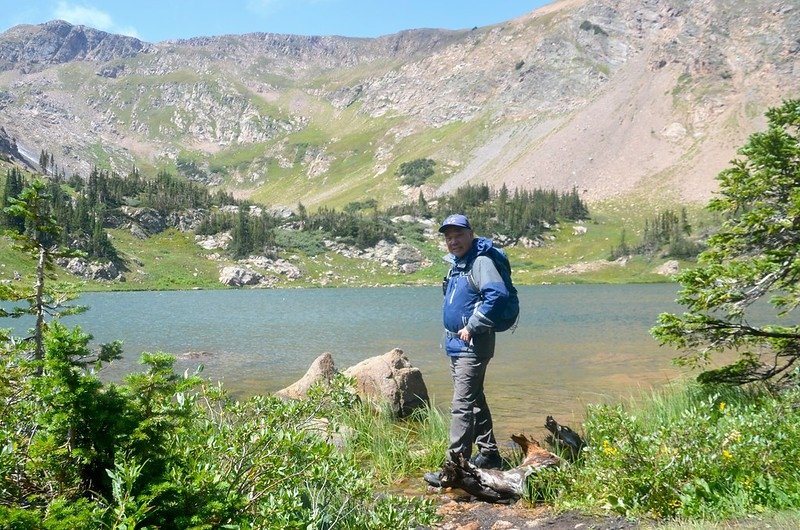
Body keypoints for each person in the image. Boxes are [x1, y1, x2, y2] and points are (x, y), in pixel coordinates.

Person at [424, 213, 511, 487]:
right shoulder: (457, 265)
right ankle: (489, 454)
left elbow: (497, 295)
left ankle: (454, 468)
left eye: (458, 235)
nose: (453, 241)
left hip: (473, 344)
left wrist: (472, 325)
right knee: (474, 399)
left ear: (470, 234)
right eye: (448, 237)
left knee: (461, 405)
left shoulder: (481, 262)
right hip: (455, 344)